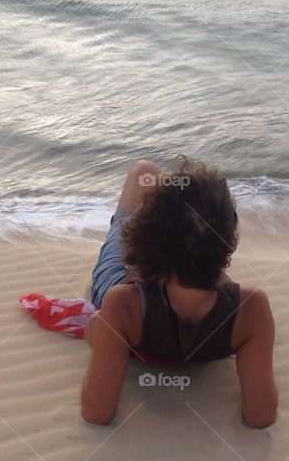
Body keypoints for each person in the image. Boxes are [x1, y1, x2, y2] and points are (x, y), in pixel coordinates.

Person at [81, 157, 277, 427]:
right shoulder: (252, 307)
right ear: (230, 238)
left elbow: (96, 412)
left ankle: (152, 224)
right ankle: (185, 234)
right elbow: (261, 417)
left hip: (134, 290)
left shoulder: (122, 305)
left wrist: (102, 334)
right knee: (196, 242)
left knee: (143, 172)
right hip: (196, 278)